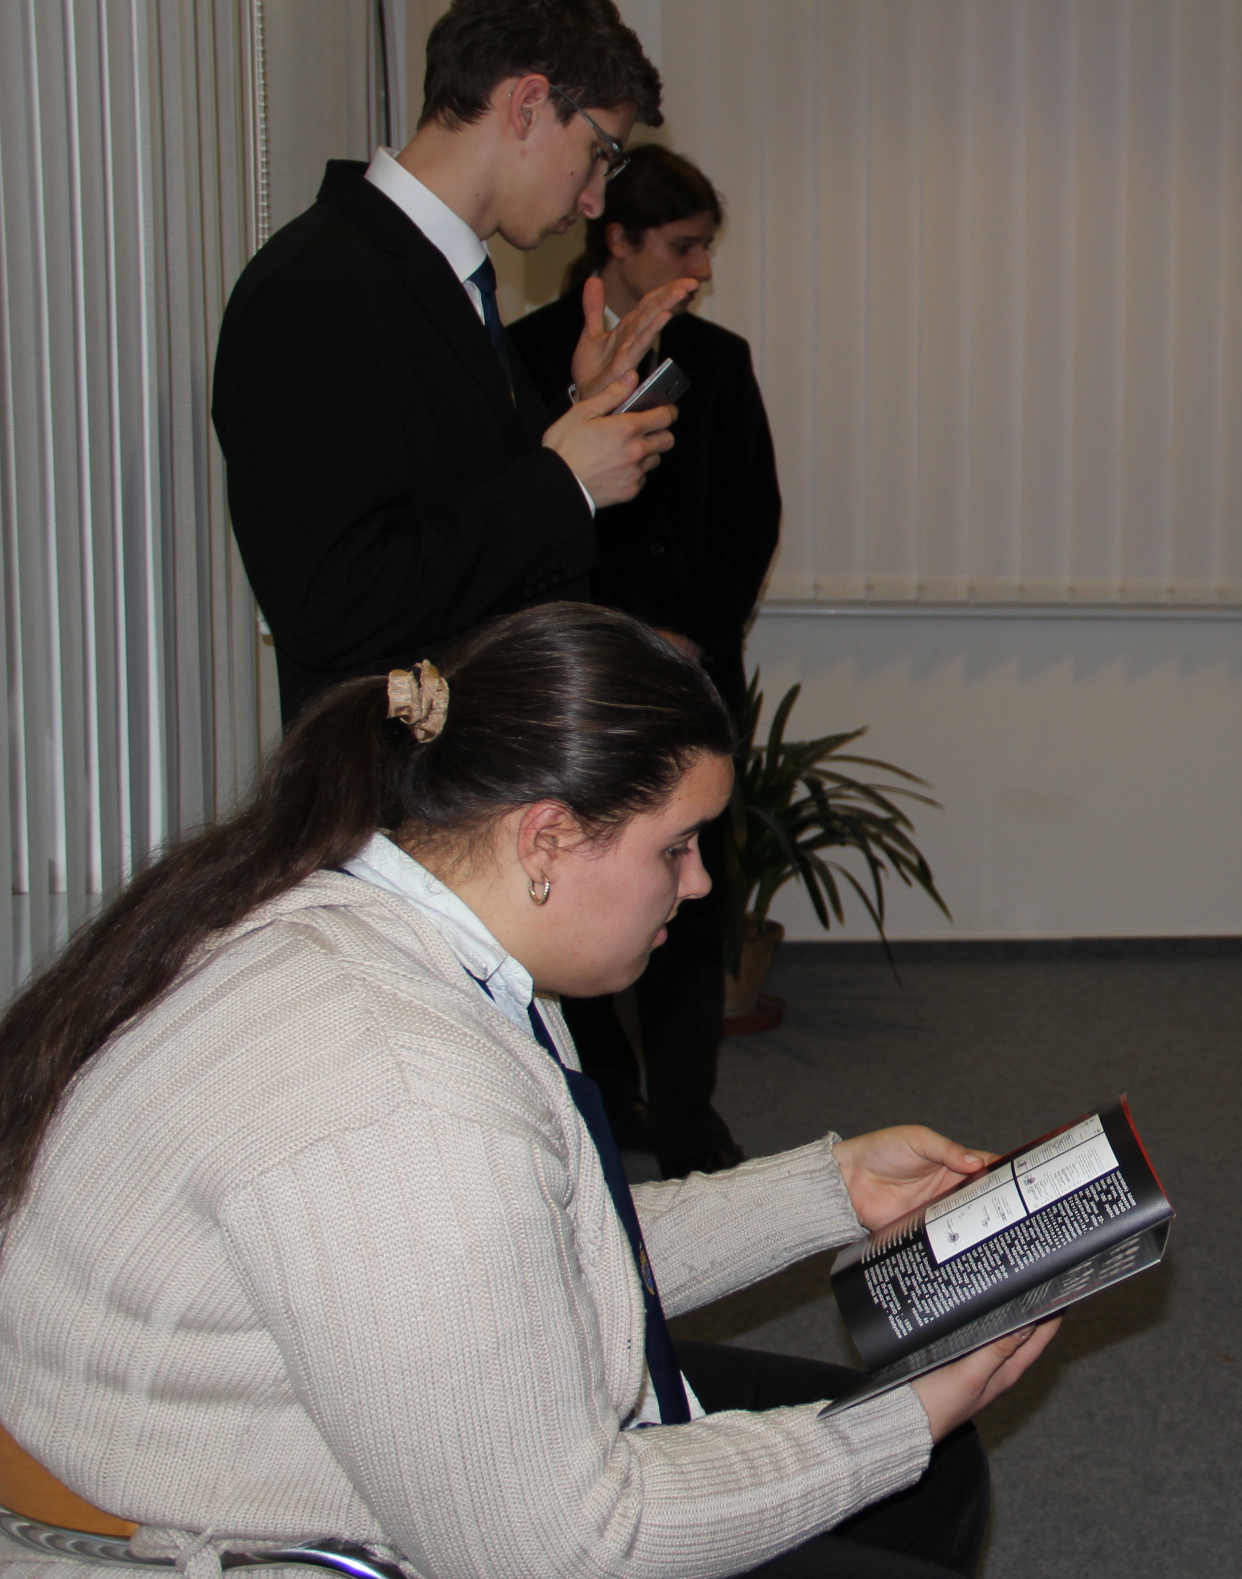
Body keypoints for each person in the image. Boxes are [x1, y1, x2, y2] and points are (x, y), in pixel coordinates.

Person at [0, 606, 1054, 1579]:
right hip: (253, 1536)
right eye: (677, 846)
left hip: (347, 1434)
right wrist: (896, 1424)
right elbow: (556, 1550)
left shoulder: (412, 931)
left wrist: (831, 1191)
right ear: (544, 839)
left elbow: (542, 1243)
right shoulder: (402, 1097)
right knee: (910, 1466)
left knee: (936, 1481)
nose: (698, 883)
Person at [213, 0, 703, 719]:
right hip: (397, 777)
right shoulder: (312, 286)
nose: (594, 199)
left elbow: (450, 501)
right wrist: (563, 482)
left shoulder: (447, 279)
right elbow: (333, 601)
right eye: (600, 153)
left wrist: (579, 411)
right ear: (528, 104)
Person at [509, 147, 783, 1175]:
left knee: (692, 893)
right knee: (571, 885)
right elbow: (530, 519)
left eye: (708, 246)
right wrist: (619, 640)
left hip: (696, 667)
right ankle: (605, 1097)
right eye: (683, 245)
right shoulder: (525, 355)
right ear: (616, 240)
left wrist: (690, 636)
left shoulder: (721, 359)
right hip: (581, 672)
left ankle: (686, 1118)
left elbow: (753, 516)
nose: (702, 268)